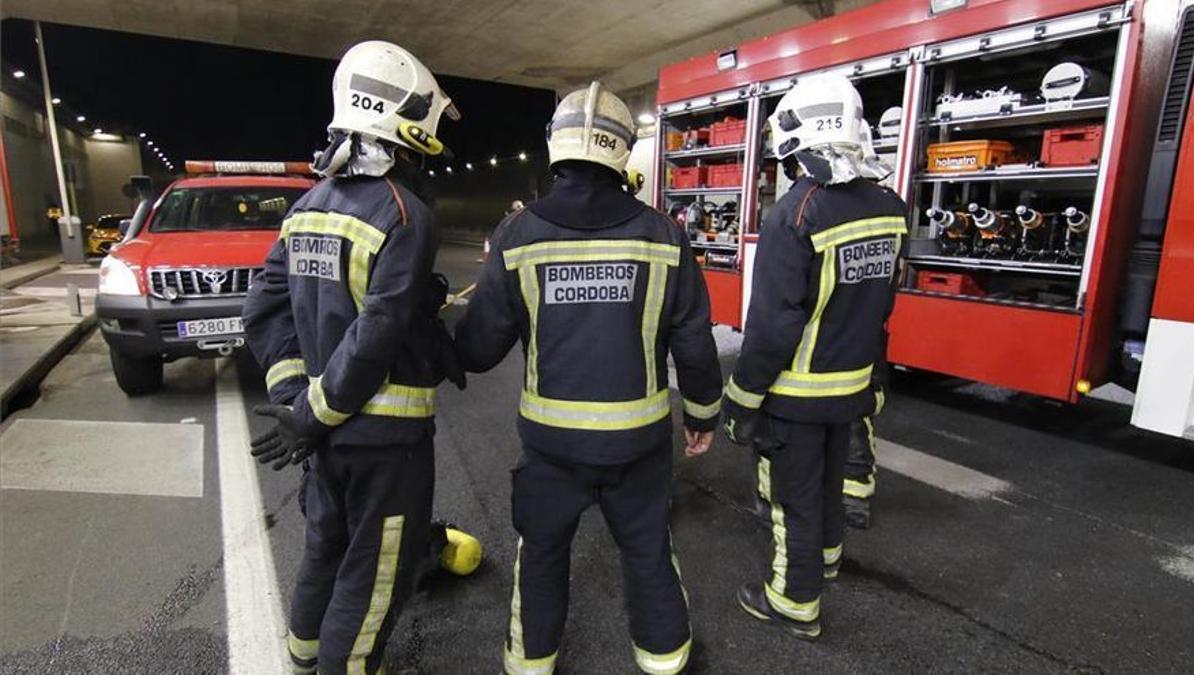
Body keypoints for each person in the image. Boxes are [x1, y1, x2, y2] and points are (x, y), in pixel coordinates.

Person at [454, 81, 722, 675]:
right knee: (648, 552)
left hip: (551, 448)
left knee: (543, 555)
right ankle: (665, 659)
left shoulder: (519, 236)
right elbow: (695, 342)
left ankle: (531, 663)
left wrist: (433, 332)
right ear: (621, 151)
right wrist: (703, 414)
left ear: (557, 146)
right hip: (640, 443)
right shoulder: (663, 235)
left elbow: (479, 348)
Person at [242, 40, 474, 675]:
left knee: (325, 546)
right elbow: (376, 332)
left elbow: (266, 310)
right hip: (383, 440)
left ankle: (302, 654)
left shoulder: (307, 206)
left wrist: (296, 402)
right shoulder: (405, 211)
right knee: (375, 573)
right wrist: (314, 412)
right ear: (400, 116)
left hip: (323, 435)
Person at [722, 73, 907, 640]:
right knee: (829, 483)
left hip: (797, 395)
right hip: (850, 387)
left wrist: (741, 399)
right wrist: (875, 378)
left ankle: (794, 600)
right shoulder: (890, 206)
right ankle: (827, 558)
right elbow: (881, 308)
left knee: (792, 499)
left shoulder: (797, 213)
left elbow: (775, 325)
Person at [841, 120, 901, 530]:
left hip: (829, 339)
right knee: (859, 416)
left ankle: (841, 499)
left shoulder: (819, 209)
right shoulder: (892, 206)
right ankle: (856, 496)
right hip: (869, 335)